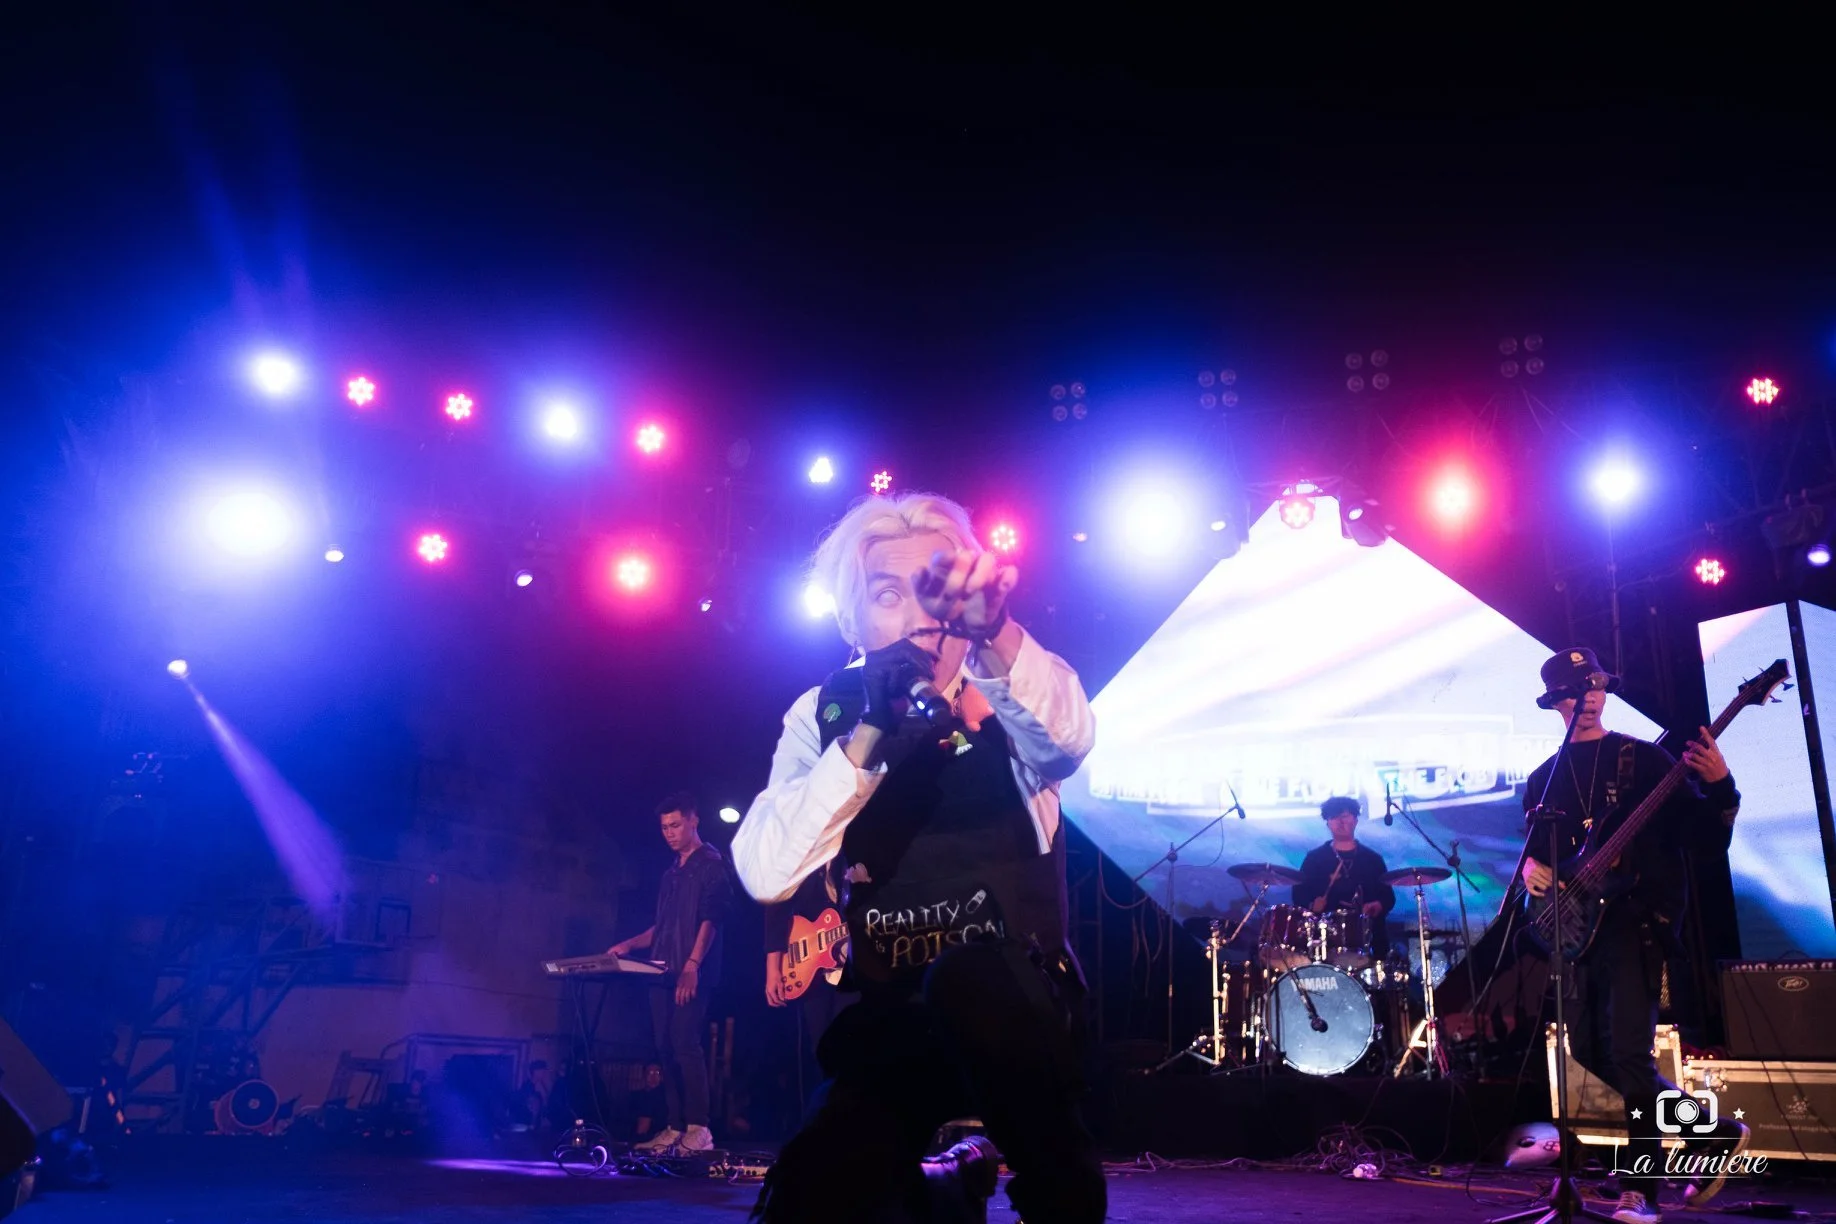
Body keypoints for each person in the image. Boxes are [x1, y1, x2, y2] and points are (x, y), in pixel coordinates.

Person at [732, 491, 1104, 1224]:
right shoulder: (822, 713)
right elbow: (765, 870)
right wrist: (868, 736)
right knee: (814, 1192)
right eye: (888, 594)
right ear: (851, 620)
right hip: (894, 1009)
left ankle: (1060, 1193)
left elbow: (1067, 739)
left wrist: (996, 632)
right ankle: (945, 1187)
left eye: (937, 587)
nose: (920, 616)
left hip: (1016, 1006)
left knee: (972, 980)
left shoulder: (1014, 686)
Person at [1519, 648, 1748, 1224]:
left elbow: (1706, 839)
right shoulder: (1543, 780)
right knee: (1590, 1052)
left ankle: (1641, 1192)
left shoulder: (1643, 761)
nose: (1591, 697)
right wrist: (1531, 870)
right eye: (1579, 690)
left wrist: (1721, 786)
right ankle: (1713, 1134)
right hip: (1575, 933)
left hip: (1635, 922)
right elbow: (1538, 855)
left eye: (1597, 687)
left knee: (1626, 1052)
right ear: (1559, 703)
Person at [606, 792, 733, 1154]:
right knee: (663, 1045)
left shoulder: (712, 864)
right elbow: (661, 927)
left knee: (684, 1042)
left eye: (675, 825)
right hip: (662, 970)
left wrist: (692, 967)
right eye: (664, 827)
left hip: (691, 971)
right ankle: (675, 1126)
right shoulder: (671, 873)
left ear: (694, 821)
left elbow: (712, 919)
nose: (669, 833)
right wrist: (629, 944)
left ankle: (699, 1127)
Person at [762, 856, 856, 1104]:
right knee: (819, 1050)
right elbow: (777, 908)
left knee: (851, 1046)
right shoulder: (801, 855)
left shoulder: (856, 848)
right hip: (812, 965)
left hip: (854, 968)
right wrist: (773, 968)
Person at [1292, 795, 1396, 960]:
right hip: (1324, 940)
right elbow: (1298, 894)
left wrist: (1378, 905)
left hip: (1369, 939)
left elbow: (1388, 897)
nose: (1340, 822)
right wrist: (1311, 905)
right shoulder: (1315, 859)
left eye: (1345, 816)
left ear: (1355, 820)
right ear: (1327, 823)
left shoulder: (1372, 859)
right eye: (1334, 817)